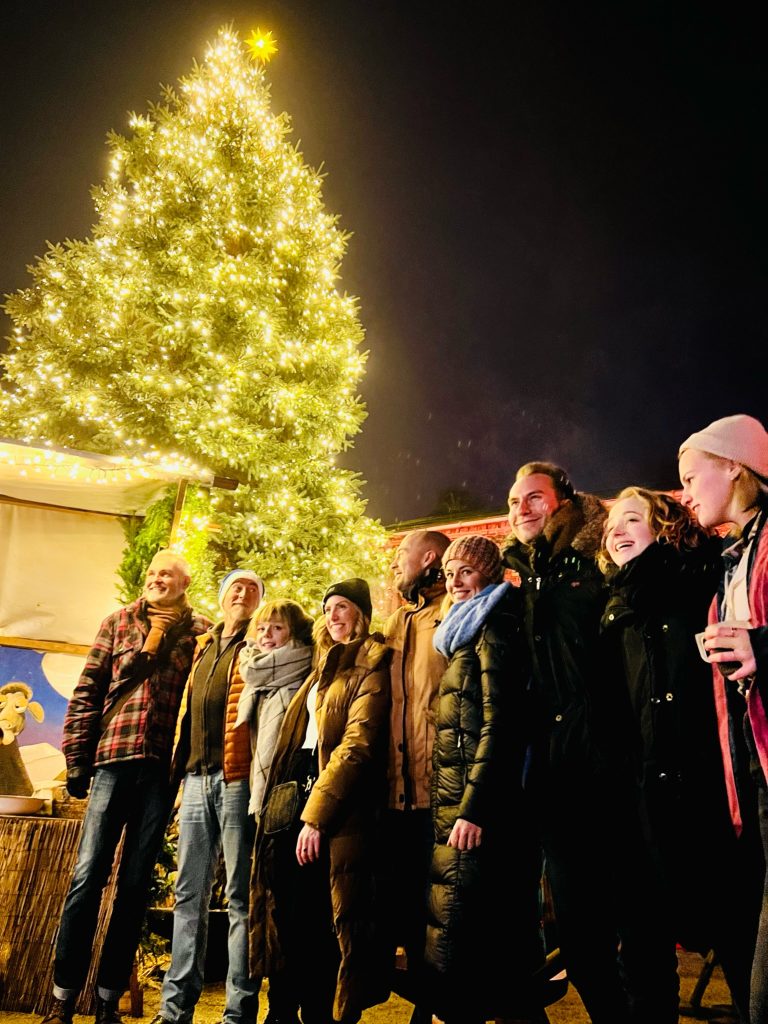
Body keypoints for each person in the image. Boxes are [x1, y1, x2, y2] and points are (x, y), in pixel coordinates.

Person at [503, 462, 676, 1024]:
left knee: (639, 926)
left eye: (534, 497)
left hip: (613, 768)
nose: (521, 508)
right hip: (555, 778)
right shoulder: (517, 576)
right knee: (578, 936)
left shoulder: (596, 560)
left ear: (562, 500)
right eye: (512, 501)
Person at [599, 486, 759, 1021]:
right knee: (642, 959)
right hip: (640, 803)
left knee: (737, 946)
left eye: (631, 520)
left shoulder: (703, 582)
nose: (616, 531)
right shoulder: (614, 608)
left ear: (664, 525)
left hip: (709, 800)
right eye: (610, 526)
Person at [41, 550, 210, 1024]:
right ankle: (62, 1000)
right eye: (153, 573)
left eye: (168, 575)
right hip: (113, 762)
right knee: (86, 879)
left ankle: (108, 1002)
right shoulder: (117, 622)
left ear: (184, 582)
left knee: (134, 889)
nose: (158, 580)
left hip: (160, 772)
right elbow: (88, 690)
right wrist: (77, 760)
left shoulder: (200, 632)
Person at [249, 577, 391, 1024]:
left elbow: (356, 746)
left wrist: (316, 818)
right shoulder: (321, 665)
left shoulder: (371, 665)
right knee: (287, 907)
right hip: (295, 791)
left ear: (361, 613)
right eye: (328, 607)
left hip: (334, 803)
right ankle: (282, 1007)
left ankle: (317, 1010)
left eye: (343, 606)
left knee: (323, 915)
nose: (333, 615)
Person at [425, 534, 545, 1024]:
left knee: (471, 931)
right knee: (481, 931)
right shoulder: (462, 632)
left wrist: (476, 809)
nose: (455, 581)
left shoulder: (492, 628)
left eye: (466, 573)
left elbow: (502, 722)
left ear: (489, 576)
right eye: (450, 573)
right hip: (459, 800)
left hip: (477, 808)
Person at [678, 413, 768, 1023]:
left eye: (691, 477)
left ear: (733, 466)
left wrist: (764, 646)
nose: (684, 494)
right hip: (751, 785)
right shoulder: (731, 564)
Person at [151, 569, 265, 1024]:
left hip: (238, 780)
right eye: (235, 587)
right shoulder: (202, 646)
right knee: (188, 893)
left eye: (252, 589)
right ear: (222, 597)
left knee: (240, 895)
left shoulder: (260, 646)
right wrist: (178, 776)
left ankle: (239, 1010)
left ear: (259, 601)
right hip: (196, 780)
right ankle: (175, 1009)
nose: (242, 593)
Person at [235, 597, 315, 1024]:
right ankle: (281, 1006)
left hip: (289, 797)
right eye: (263, 629)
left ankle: (297, 1003)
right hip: (263, 799)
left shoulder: (301, 670)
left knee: (293, 904)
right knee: (273, 902)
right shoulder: (258, 679)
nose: (267, 636)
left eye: (278, 629)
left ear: (295, 634)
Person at [381, 529, 450, 1022]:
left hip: (438, 787)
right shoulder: (396, 622)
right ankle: (423, 1004)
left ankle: (440, 1006)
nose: (395, 564)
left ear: (428, 558)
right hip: (395, 792)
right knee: (404, 908)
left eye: (401, 555)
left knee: (442, 913)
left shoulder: (451, 613)